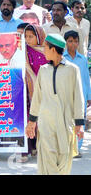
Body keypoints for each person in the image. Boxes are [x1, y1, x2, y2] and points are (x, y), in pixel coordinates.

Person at [25, 34, 85, 175]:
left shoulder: (72, 70)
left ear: (53, 49)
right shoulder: (43, 70)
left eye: (45, 47)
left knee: (63, 160)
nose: (43, 50)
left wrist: (79, 124)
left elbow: (78, 97)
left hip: (65, 124)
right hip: (46, 125)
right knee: (47, 160)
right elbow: (37, 98)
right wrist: (32, 122)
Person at [22, 24, 48, 162]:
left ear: (39, 36)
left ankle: (42, 149)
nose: (27, 39)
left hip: (47, 91)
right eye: (26, 36)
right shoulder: (24, 50)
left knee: (45, 121)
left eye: (31, 36)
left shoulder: (48, 51)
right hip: (30, 91)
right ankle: (29, 148)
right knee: (30, 119)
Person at [63, 30, 91, 158]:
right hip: (66, 94)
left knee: (80, 120)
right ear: (65, 42)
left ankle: (77, 148)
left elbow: (86, 78)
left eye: (75, 41)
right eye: (70, 41)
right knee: (67, 121)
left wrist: (89, 96)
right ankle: (68, 146)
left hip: (81, 95)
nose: (73, 44)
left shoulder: (83, 59)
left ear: (78, 43)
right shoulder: (62, 59)